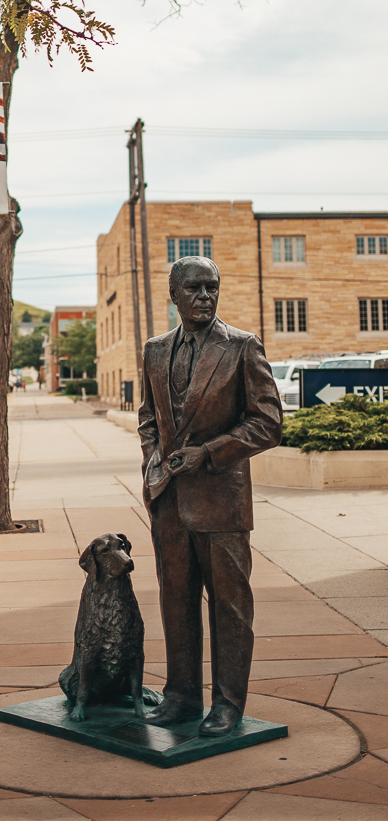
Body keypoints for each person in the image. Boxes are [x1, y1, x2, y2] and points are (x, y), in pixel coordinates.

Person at [138, 255, 282, 738]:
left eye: (211, 288)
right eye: (194, 288)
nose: (204, 296)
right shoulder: (155, 350)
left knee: (229, 606)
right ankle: (180, 696)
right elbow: (148, 418)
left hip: (222, 500)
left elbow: (268, 423)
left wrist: (211, 453)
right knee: (175, 600)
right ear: (173, 294)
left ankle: (227, 704)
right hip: (169, 502)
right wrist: (153, 465)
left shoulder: (242, 347)